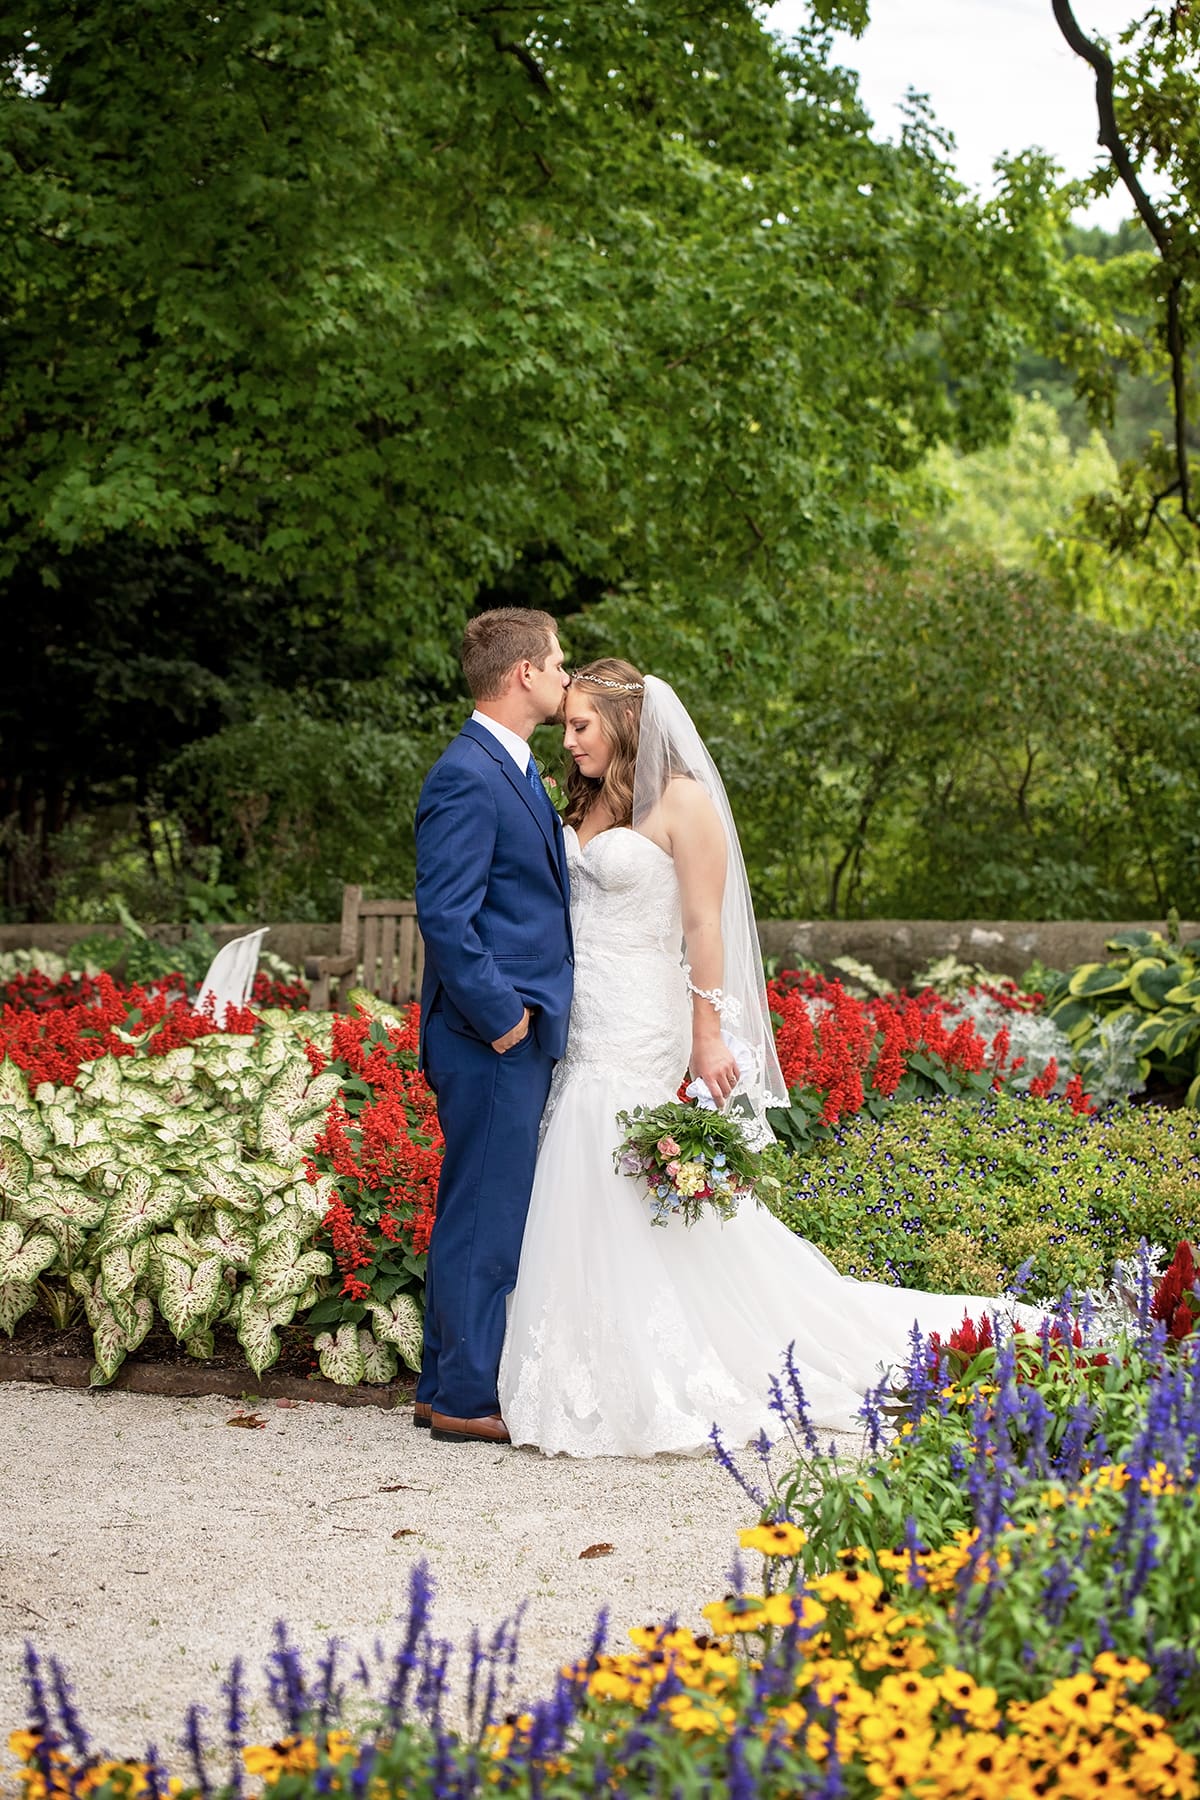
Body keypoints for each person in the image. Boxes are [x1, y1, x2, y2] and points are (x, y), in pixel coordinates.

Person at [497, 659, 1040, 1457]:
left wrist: (708, 1031)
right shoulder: (585, 798)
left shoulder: (683, 800)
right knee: (579, 1153)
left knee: (611, 1145)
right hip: (582, 1014)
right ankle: (581, 1355)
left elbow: (706, 927)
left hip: (643, 1015)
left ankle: (652, 1363)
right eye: (568, 724)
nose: (569, 738)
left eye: (582, 725)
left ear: (622, 722)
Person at [414, 609, 573, 1444]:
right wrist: (505, 1019)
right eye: (557, 662)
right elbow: (445, 916)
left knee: (471, 1201)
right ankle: (469, 1400)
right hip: (489, 1037)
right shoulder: (468, 774)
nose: (564, 676)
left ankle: (442, 1381)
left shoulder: (507, 766)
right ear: (522, 675)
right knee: (486, 1208)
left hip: (501, 1033)